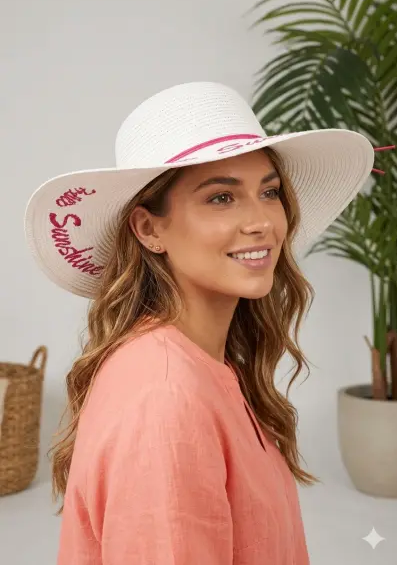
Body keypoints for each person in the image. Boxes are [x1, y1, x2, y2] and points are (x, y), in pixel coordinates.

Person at [24, 81, 374, 564]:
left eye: (269, 191)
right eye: (221, 198)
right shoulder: (166, 399)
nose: (262, 222)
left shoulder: (200, 364)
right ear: (149, 228)